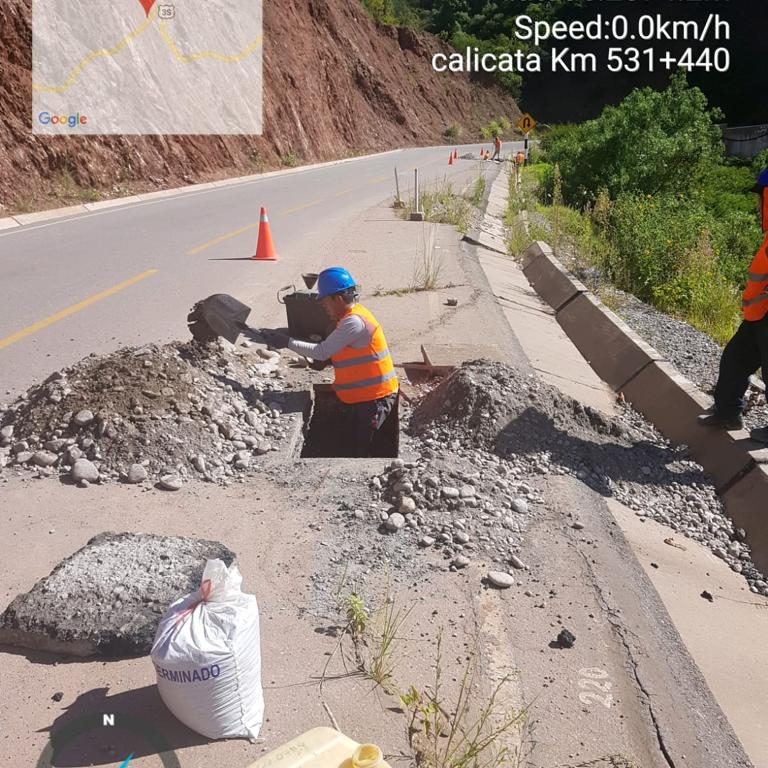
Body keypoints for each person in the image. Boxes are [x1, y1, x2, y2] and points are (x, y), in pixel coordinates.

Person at [261, 267, 399, 457]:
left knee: (361, 453)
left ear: (338, 299)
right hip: (364, 397)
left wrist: (287, 342)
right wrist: (328, 361)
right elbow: (346, 352)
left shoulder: (354, 323)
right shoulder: (350, 317)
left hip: (375, 400)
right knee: (353, 443)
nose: (323, 306)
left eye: (325, 301)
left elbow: (321, 351)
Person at [698, 167, 768, 441]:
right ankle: (728, 413)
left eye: (760, 197)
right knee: (735, 360)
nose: (757, 204)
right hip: (759, 314)